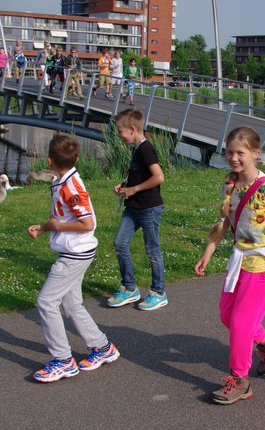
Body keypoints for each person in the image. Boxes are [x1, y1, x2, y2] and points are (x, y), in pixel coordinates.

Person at [194, 126, 265, 405]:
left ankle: (239, 380)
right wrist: (208, 252)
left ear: (255, 153)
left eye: (240, 153)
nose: (233, 158)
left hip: (263, 263)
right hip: (239, 259)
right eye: (230, 152)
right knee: (227, 316)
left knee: (241, 323)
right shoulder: (230, 184)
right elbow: (224, 223)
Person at [27, 132, 120, 383]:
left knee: (46, 302)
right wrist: (44, 227)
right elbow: (62, 216)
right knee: (71, 304)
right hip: (76, 250)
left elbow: (87, 223)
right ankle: (102, 348)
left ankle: (63, 361)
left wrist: (56, 227)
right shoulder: (63, 182)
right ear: (77, 159)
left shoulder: (71, 187)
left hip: (74, 254)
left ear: (49, 161)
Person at [107, 108, 168, 311]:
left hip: (149, 207)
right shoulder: (136, 149)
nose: (119, 135)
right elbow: (138, 173)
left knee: (152, 250)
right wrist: (125, 185)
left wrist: (134, 189)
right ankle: (130, 288)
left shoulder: (145, 149)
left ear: (132, 129)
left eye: (121, 131)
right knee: (120, 243)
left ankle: (159, 292)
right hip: (133, 207)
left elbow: (159, 177)